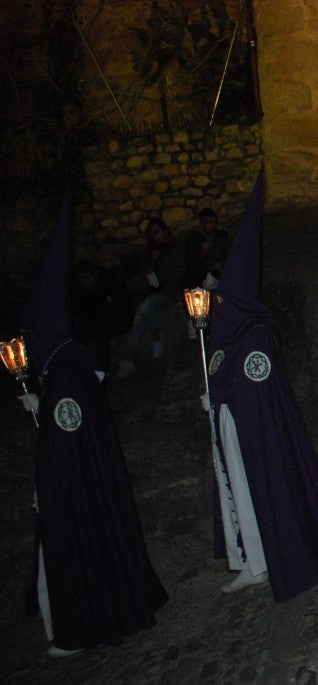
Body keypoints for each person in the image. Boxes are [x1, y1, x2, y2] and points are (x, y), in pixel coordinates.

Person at [18, 190, 167, 657]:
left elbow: (67, 447)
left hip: (82, 492)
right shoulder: (67, 368)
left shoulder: (64, 378)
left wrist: (45, 415)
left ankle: (84, 623)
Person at [204, 172, 318, 599]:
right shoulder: (230, 337)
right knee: (241, 495)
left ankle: (277, 558)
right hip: (235, 436)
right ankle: (252, 561)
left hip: (260, 440)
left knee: (266, 497)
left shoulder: (256, 336)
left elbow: (259, 391)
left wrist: (225, 393)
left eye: (221, 299)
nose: (216, 304)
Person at [117, 217, 177, 378]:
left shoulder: (173, 248)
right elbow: (147, 277)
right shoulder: (149, 253)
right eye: (151, 233)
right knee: (140, 314)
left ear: (164, 231)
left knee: (145, 307)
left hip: (171, 293)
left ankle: (158, 337)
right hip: (155, 294)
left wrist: (157, 262)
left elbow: (172, 275)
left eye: (157, 231)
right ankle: (129, 358)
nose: (155, 236)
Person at [182, 207, 231, 338]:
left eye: (214, 222)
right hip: (200, 277)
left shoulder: (222, 236)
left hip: (220, 274)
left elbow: (229, 254)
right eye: (209, 223)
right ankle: (196, 323)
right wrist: (204, 253)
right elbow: (192, 265)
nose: (212, 226)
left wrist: (219, 264)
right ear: (202, 224)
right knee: (195, 286)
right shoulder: (195, 240)